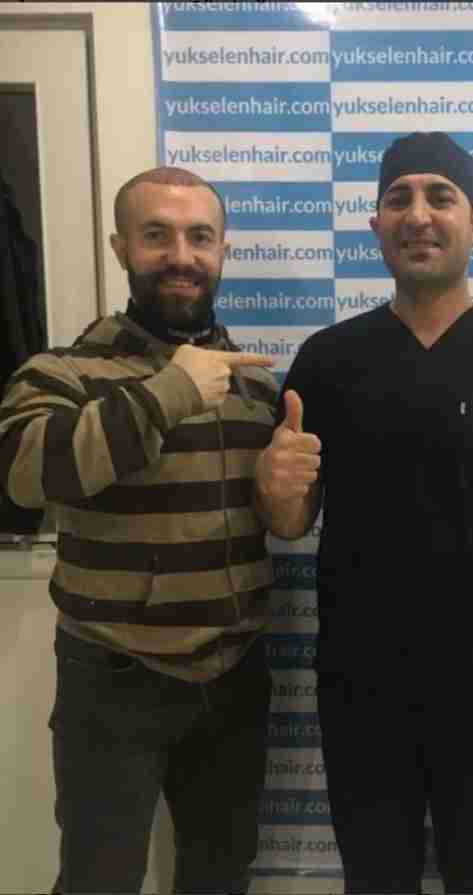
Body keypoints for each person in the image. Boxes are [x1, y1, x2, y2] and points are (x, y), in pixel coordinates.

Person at [0, 166, 278, 895]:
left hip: (234, 674)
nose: (180, 255)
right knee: (99, 879)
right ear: (121, 247)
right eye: (157, 235)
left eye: (199, 237)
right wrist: (169, 394)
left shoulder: (253, 383)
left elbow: (271, 515)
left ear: (222, 251)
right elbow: (26, 475)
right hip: (114, 677)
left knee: (220, 876)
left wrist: (292, 497)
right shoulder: (61, 370)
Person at [253, 131, 473, 894]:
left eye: (440, 195)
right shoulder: (329, 359)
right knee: (377, 877)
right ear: (374, 224)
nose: (418, 214)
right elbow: (289, 521)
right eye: (398, 198)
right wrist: (274, 485)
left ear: (470, 218)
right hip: (364, 683)